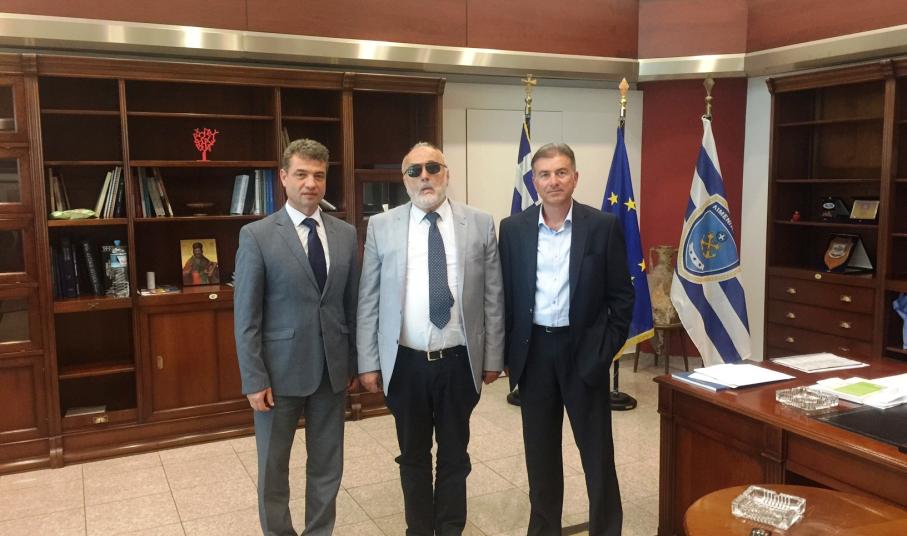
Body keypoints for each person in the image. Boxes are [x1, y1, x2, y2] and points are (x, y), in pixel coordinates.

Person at [357, 142, 505, 535]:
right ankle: (419, 530)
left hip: (458, 362)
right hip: (406, 364)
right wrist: (368, 362)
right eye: (414, 170)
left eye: (433, 168)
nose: (424, 176)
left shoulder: (479, 223)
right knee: (413, 456)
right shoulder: (381, 226)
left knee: (455, 456)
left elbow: (493, 295)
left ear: (446, 173)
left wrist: (493, 357)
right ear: (404, 179)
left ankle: (450, 529)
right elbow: (369, 297)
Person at [498, 143, 634, 536]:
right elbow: (506, 296)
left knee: (597, 454)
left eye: (561, 172)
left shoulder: (602, 226)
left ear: (575, 177)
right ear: (534, 181)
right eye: (544, 174)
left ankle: (606, 529)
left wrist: (603, 351)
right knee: (540, 456)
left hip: (584, 353)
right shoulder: (513, 229)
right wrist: (507, 354)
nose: (553, 181)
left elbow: (622, 298)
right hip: (534, 354)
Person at [234, 138, 359, 536]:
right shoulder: (257, 235)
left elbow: (351, 305)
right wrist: (254, 378)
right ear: (283, 177)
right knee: (274, 467)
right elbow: (247, 317)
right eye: (301, 174)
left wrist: (353, 363)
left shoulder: (345, 234)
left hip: (331, 373)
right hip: (277, 375)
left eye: (319, 176)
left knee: (327, 465)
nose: (310, 183)